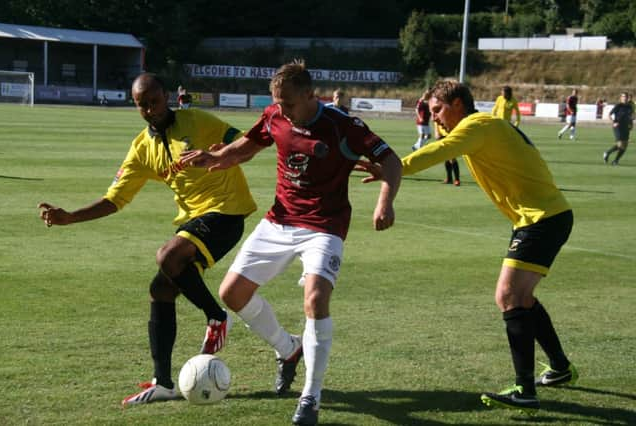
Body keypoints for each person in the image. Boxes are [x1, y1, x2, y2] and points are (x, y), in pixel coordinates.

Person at [181, 59, 402, 426]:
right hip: (279, 220)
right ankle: (289, 349)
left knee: (315, 298)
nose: (282, 110)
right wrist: (215, 159)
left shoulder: (342, 126)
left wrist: (385, 201)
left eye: (289, 104)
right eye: (278, 103)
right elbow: (248, 146)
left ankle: (310, 397)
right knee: (232, 293)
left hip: (324, 226)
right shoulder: (275, 116)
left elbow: (391, 160)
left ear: (310, 95)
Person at [356, 80, 577, 415]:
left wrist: (392, 167)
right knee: (522, 297)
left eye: (438, 110)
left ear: (457, 103)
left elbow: (437, 151)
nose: (436, 119)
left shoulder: (477, 124)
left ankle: (525, 390)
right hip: (541, 217)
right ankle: (559, 366)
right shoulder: (484, 126)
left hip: (541, 219)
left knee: (508, 296)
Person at [37, 73, 257, 406]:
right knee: (161, 289)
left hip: (227, 212)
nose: (150, 109)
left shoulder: (196, 120)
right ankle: (164, 382)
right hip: (194, 220)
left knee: (168, 257)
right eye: (142, 105)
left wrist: (222, 152)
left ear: (166, 96)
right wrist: (70, 218)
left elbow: (245, 143)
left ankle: (216, 316)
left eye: (154, 101)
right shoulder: (142, 148)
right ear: (136, 106)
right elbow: (115, 199)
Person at [603, 92, 633, 165]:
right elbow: (609, 115)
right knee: (620, 144)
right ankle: (607, 153)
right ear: (621, 98)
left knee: (625, 146)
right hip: (618, 127)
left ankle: (616, 161)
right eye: (623, 96)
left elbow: (630, 117)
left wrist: (631, 125)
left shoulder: (629, 106)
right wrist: (614, 122)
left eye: (626, 96)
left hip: (626, 127)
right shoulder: (618, 106)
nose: (625, 98)